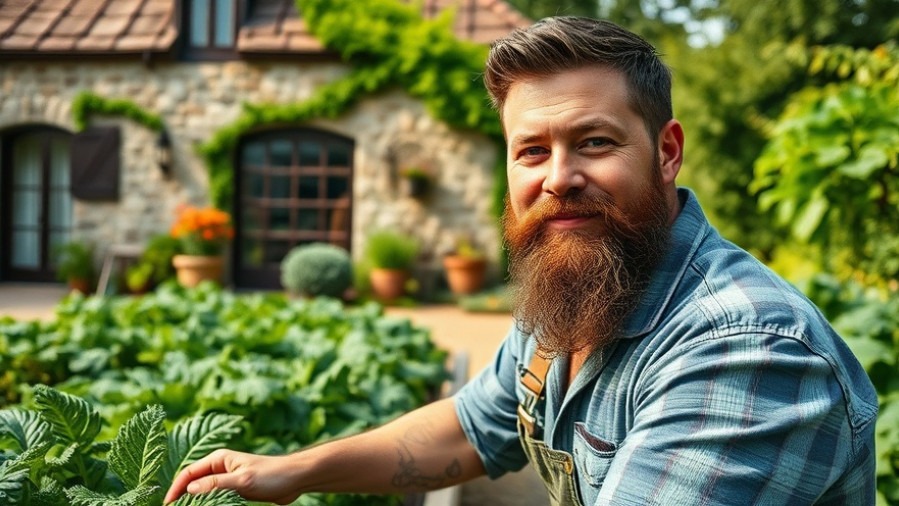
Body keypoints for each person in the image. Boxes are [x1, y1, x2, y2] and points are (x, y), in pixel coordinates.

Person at [165, 16, 877, 506]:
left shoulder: (743, 350)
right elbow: (474, 426)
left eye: (593, 142)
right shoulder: (583, 288)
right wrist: (296, 470)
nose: (557, 176)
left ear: (665, 152)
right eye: (531, 150)